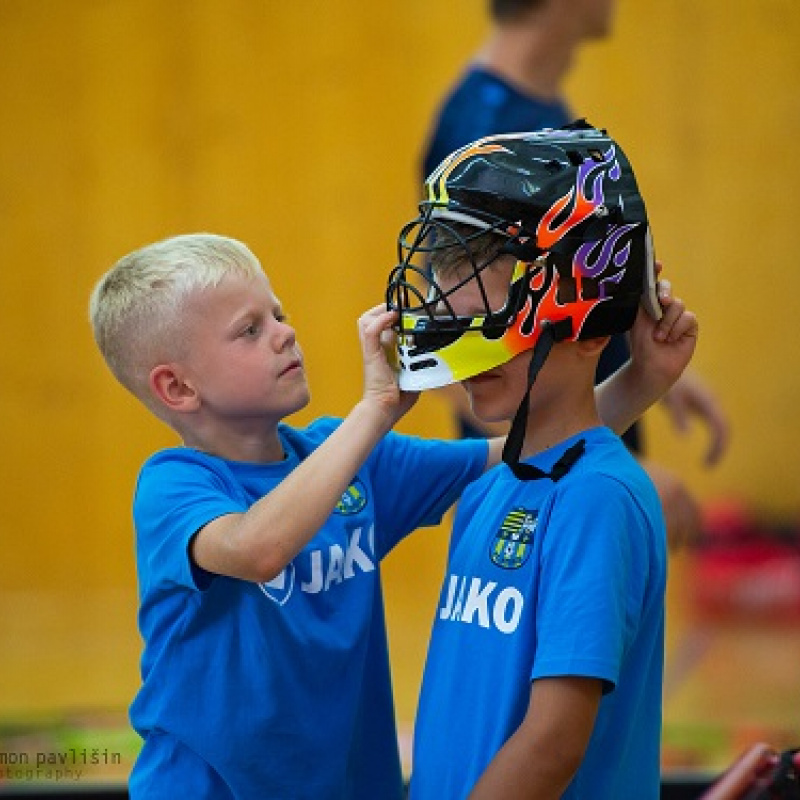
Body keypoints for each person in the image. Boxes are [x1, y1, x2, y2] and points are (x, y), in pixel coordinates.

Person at [88, 233, 687, 798]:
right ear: (178, 389)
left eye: (279, 313)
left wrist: (641, 380)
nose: (285, 333)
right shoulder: (174, 485)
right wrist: (375, 411)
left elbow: (526, 453)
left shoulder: (352, 461)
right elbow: (256, 548)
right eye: (249, 330)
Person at [387, 123, 692, 797]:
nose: (458, 355)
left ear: (584, 322)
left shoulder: (597, 499)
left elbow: (553, 742)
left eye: (486, 331)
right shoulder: (490, 490)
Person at [420, 0, 730, 548]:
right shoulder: (486, 130)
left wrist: (642, 359)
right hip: (540, 490)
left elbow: (562, 289)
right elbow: (443, 342)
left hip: (575, 461)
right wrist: (586, 454)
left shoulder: (535, 111)